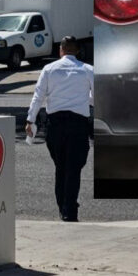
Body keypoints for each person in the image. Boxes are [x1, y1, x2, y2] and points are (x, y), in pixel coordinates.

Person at [25, 35, 93, 222]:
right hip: (78, 125)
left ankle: (62, 206)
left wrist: (30, 120)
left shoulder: (49, 69)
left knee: (60, 167)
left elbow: (38, 96)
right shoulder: (88, 70)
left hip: (55, 125)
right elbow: (97, 98)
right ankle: (70, 209)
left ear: (60, 50)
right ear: (78, 51)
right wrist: (81, 98)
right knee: (74, 169)